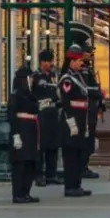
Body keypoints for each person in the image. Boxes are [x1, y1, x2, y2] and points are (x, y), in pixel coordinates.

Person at [69, 22, 103, 180]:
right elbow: (84, 89)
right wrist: (96, 92)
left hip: (92, 108)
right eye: (89, 52)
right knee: (85, 139)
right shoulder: (80, 71)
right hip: (84, 110)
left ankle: (84, 165)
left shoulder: (87, 68)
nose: (91, 55)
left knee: (90, 139)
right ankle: (81, 167)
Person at [58, 43, 92, 198]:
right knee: (71, 156)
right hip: (71, 121)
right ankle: (70, 186)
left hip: (81, 118)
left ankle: (77, 184)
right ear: (71, 62)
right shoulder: (67, 79)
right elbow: (66, 102)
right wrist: (71, 122)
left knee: (79, 153)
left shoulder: (78, 77)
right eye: (78, 61)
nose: (81, 63)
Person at [9, 59, 41, 204]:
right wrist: (16, 135)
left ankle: (26, 192)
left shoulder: (30, 95)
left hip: (31, 129)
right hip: (22, 130)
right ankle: (18, 194)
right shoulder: (16, 96)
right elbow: (11, 115)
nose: (32, 80)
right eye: (30, 78)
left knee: (30, 162)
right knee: (20, 163)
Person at [33, 48, 62, 187]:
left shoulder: (53, 76)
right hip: (41, 113)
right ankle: (39, 175)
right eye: (47, 61)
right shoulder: (36, 77)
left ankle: (52, 174)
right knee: (41, 145)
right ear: (42, 62)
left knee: (53, 144)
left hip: (53, 112)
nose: (49, 64)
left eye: (50, 61)